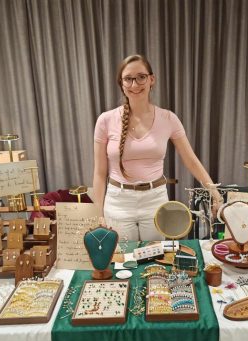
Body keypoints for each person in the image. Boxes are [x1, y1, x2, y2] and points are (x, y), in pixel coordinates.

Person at [93, 54, 222, 241]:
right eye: (128, 79)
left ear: (151, 79)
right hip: (118, 202)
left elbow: (191, 160)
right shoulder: (105, 120)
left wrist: (214, 191)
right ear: (121, 83)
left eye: (141, 77)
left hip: (155, 201)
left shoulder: (168, 119)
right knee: (123, 264)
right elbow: (99, 172)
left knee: (155, 260)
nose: (135, 84)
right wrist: (99, 213)